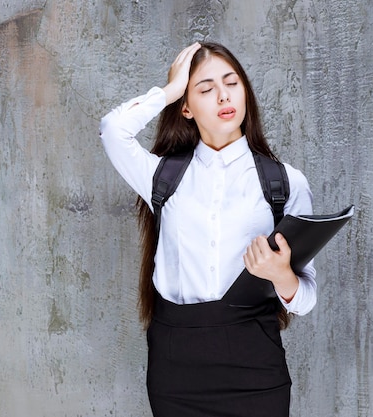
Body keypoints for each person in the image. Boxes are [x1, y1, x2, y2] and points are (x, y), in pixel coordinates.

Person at [100, 42, 317, 417]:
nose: (223, 95)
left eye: (232, 83)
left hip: (255, 365)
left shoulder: (285, 183)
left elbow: (307, 298)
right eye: (205, 89)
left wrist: (282, 275)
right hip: (176, 367)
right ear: (186, 108)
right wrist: (168, 90)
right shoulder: (162, 177)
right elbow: (112, 130)